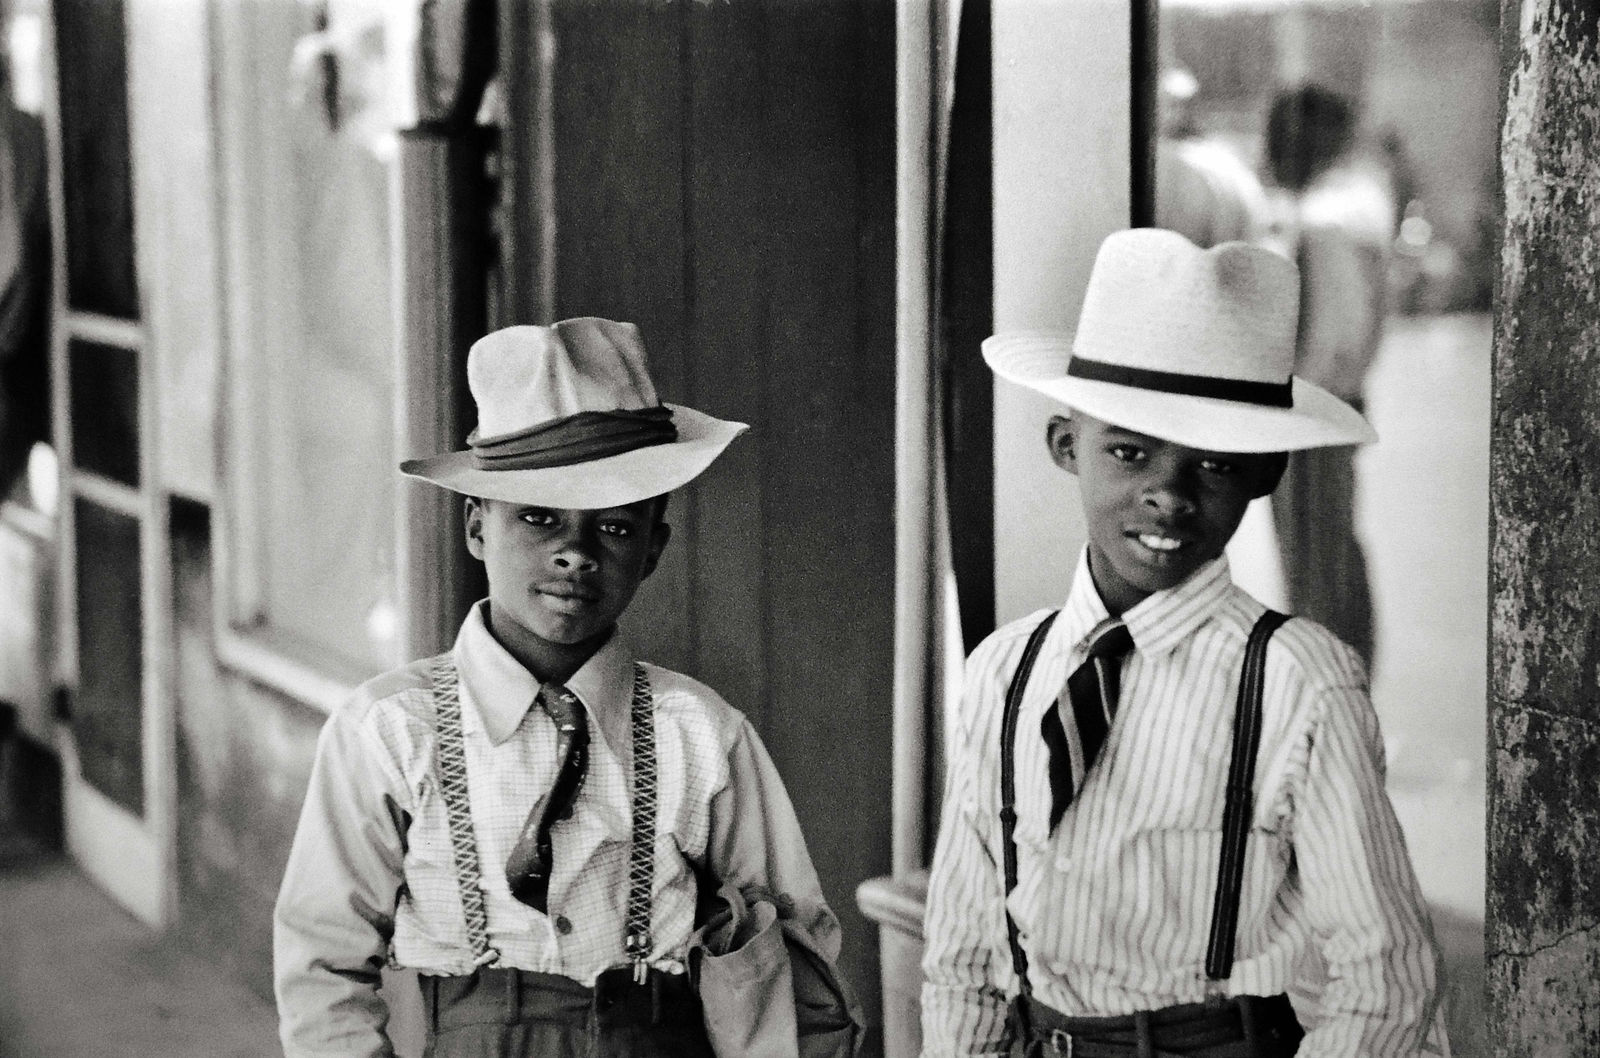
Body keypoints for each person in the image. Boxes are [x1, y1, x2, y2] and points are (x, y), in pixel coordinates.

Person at [920, 229, 1448, 1056]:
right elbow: (964, 960)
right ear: (1066, 448)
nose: (1166, 493)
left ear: (1263, 475)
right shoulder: (1006, 675)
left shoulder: (1297, 683)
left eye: (1212, 466)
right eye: (1128, 453)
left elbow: (1385, 981)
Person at [274, 318, 851, 1057]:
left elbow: (789, 945)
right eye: (538, 519)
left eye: (613, 528)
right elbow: (322, 964)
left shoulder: (699, 733)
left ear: (653, 550)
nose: (574, 554)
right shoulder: (389, 731)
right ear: (478, 528)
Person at [1261, 84, 1396, 665]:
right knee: (1333, 552)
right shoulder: (1348, 208)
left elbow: (1335, 335)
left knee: (1313, 564)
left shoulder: (1322, 220)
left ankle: (1325, 694)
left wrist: (1290, 403)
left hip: (1309, 416)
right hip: (1328, 409)